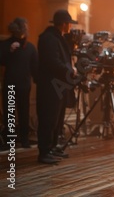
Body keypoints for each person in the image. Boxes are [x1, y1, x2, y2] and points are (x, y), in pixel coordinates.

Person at [36, 10, 78, 164]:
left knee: (56, 119)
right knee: (48, 119)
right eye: (69, 23)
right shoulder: (48, 38)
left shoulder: (57, 37)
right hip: (50, 87)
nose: (70, 27)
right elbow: (52, 61)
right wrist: (70, 70)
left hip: (58, 87)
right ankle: (44, 152)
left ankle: (52, 148)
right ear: (64, 24)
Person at [0, 18, 38, 149]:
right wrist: (9, 51)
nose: (27, 30)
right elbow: (2, 60)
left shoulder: (30, 47)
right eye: (24, 27)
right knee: (9, 112)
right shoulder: (5, 44)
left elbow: (35, 67)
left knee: (24, 112)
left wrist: (39, 81)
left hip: (24, 85)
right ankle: (9, 139)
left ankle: (24, 139)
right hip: (10, 83)